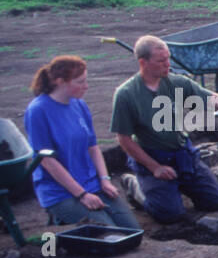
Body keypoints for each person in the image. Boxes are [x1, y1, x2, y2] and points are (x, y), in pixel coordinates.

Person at [111, 35, 218, 224]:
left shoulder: (177, 82)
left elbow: (217, 100)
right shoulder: (126, 94)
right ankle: (136, 186)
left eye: (168, 58)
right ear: (143, 62)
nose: (168, 64)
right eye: (161, 61)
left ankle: (176, 186)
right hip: (153, 158)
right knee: (169, 215)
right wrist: (155, 168)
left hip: (182, 154)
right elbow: (124, 138)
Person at [24, 55, 139, 230]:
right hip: (61, 192)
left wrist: (105, 180)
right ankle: (61, 218)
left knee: (133, 230)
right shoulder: (38, 111)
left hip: (91, 183)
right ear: (60, 82)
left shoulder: (79, 105)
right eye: (80, 82)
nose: (86, 86)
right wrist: (82, 194)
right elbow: (47, 161)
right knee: (110, 235)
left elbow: (93, 146)